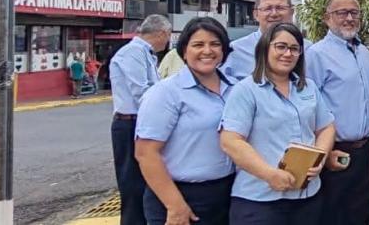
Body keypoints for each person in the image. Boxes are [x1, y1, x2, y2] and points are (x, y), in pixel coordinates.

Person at [220, 23, 336, 224]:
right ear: (265, 48)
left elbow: (326, 127)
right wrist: (269, 174)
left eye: (294, 49)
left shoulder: (308, 87)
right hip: (260, 200)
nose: (288, 54)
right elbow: (230, 141)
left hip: (306, 197)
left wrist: (320, 158)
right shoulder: (246, 90)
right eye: (280, 46)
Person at [136, 17, 237, 225]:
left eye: (215, 44)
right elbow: (146, 153)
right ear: (184, 50)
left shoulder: (236, 89)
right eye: (198, 45)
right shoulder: (165, 93)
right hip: (178, 196)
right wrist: (175, 205)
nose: (207, 51)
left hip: (226, 194)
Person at [305, 0, 369, 225]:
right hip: (336, 152)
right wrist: (323, 153)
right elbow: (307, 108)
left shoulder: (364, 53)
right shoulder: (316, 55)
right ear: (327, 18)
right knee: (335, 216)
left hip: (366, 152)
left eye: (354, 13)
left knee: (361, 215)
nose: (349, 18)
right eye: (341, 13)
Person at [111, 14, 172, 225]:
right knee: (132, 184)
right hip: (130, 123)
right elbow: (141, 91)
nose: (167, 41)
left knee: (148, 180)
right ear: (162, 33)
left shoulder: (146, 53)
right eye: (168, 36)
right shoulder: (133, 53)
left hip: (141, 121)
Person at [224, 0, 302, 82]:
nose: (274, 14)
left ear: (291, 12)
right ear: (256, 14)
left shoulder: (306, 49)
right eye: (267, 9)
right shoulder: (235, 50)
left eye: (280, 8)